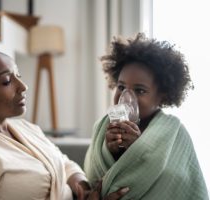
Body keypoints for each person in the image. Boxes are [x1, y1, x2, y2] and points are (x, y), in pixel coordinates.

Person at [0, 42, 128, 200]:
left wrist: (83, 187)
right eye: (6, 81)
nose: (23, 86)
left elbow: (64, 164)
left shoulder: (26, 128)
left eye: (18, 75)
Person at [84, 33, 209, 200]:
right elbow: (93, 177)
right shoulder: (101, 128)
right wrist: (111, 151)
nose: (126, 97)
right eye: (121, 87)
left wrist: (139, 151)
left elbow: (179, 184)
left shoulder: (175, 134)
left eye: (140, 90)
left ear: (163, 96)